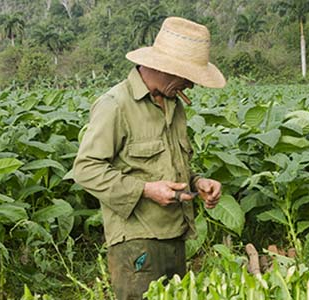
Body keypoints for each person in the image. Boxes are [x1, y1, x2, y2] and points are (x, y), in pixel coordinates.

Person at [69, 17, 226, 300]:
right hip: (136, 241)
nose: (189, 86)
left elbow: (167, 163)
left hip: (174, 235)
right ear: (167, 68)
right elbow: (85, 169)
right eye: (187, 77)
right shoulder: (115, 105)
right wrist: (145, 190)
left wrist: (198, 181)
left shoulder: (173, 105)